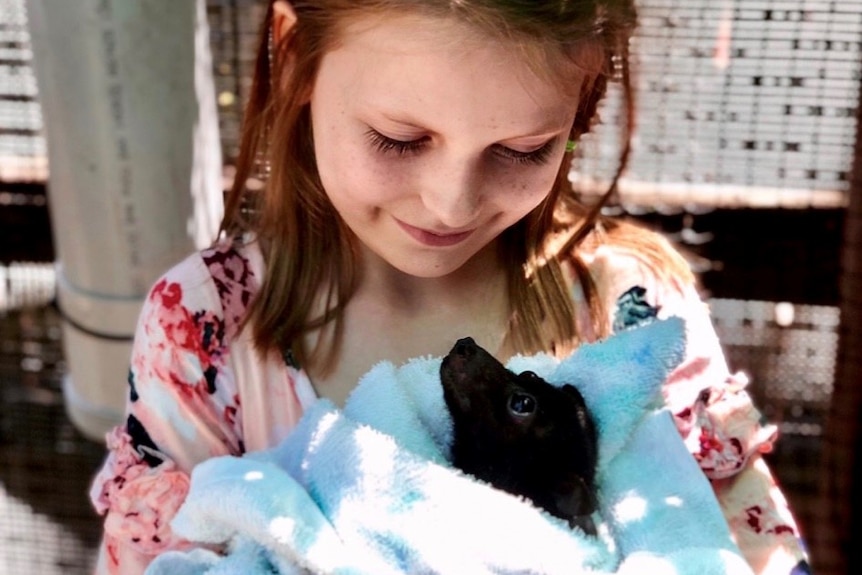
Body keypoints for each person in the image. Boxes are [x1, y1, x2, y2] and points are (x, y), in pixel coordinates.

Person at [88, 1, 811, 574]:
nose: (451, 205)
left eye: (522, 150)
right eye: (399, 139)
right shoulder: (207, 330)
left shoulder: (634, 313)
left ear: (585, 93)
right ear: (295, 54)